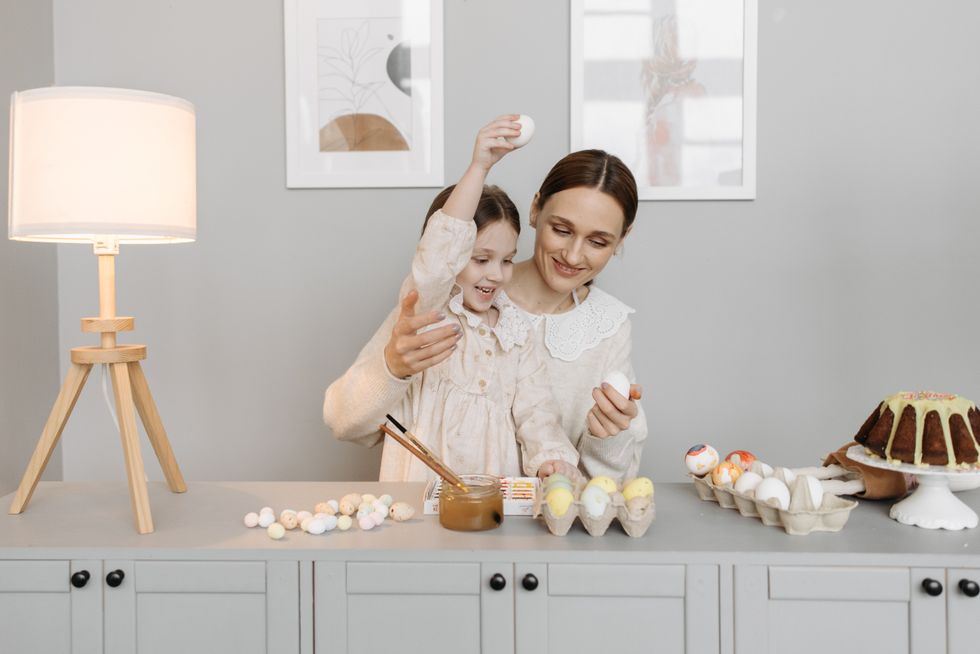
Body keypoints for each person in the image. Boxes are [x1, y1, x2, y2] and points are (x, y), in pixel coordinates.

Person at [327, 141, 647, 481]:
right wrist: (392, 367)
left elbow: (591, 470)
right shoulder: (443, 302)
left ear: (622, 238)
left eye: (598, 241)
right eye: (562, 230)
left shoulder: (601, 329)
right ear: (536, 210)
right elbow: (346, 423)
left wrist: (607, 437)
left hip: (517, 521)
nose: (572, 255)